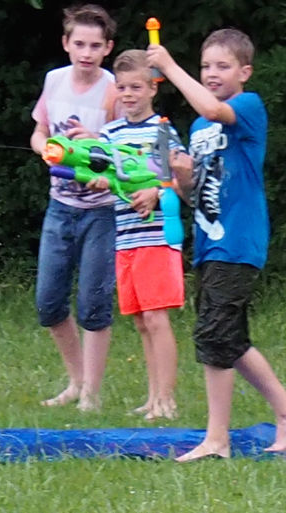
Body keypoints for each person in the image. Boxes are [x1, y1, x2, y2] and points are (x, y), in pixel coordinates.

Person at [147, 29, 286, 461]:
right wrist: (183, 175)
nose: (211, 74)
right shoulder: (200, 125)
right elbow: (194, 193)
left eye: (222, 66)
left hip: (239, 240)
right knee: (231, 340)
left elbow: (210, 105)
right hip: (210, 242)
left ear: (244, 72)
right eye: (206, 65)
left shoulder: (246, 107)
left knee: (214, 336)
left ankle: (217, 440)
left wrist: (169, 66)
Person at [89, 49, 191, 421]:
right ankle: (153, 397)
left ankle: (167, 400)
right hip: (126, 238)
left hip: (157, 237)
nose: (128, 94)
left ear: (152, 88)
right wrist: (100, 181)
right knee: (141, 320)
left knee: (157, 317)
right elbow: (101, 174)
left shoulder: (163, 130)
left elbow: (180, 181)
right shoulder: (110, 132)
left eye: (136, 87)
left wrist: (156, 193)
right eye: (122, 88)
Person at [29, 4, 119, 411]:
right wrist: (46, 151)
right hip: (59, 205)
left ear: (108, 48)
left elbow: (126, 150)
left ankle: (92, 395)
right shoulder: (54, 81)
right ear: (66, 43)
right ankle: (75, 380)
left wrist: (94, 144)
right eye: (79, 43)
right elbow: (40, 131)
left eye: (95, 46)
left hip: (102, 209)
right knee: (49, 303)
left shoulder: (115, 89)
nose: (86, 52)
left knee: (95, 303)